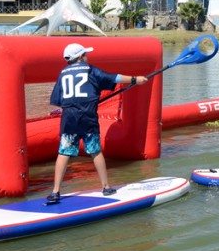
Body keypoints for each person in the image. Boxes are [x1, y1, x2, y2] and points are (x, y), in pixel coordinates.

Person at [46, 42, 149, 205]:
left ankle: (55, 192)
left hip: (69, 118)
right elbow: (114, 78)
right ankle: (106, 187)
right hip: (87, 117)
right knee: (95, 151)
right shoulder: (90, 70)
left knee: (64, 152)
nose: (87, 57)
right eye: (85, 54)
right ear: (80, 57)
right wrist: (136, 79)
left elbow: (59, 100)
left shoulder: (63, 73)